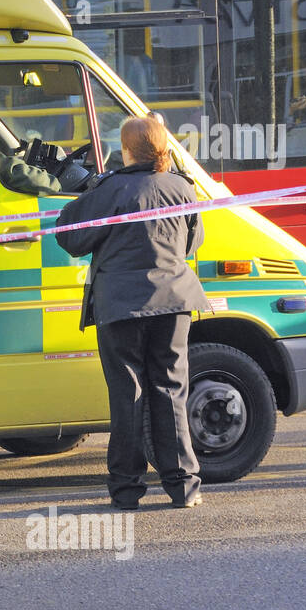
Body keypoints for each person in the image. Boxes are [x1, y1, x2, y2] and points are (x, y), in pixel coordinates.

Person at [55, 116, 208, 510]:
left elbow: (70, 236)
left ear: (126, 150)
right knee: (171, 389)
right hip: (174, 302)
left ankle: (126, 491)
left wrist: (85, 190)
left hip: (122, 306)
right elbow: (193, 243)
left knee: (128, 394)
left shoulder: (111, 190)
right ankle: (184, 487)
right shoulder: (181, 187)